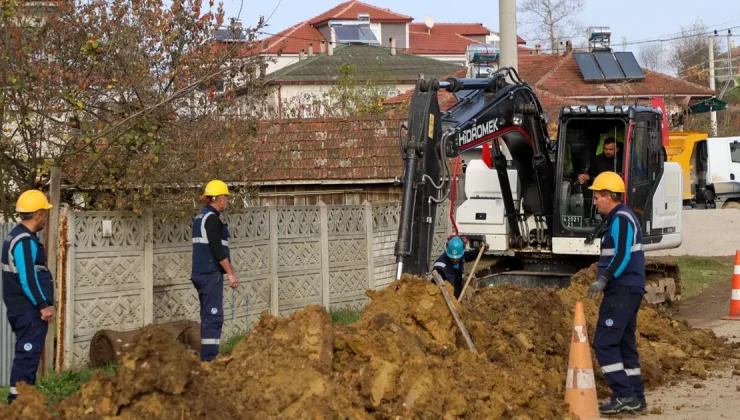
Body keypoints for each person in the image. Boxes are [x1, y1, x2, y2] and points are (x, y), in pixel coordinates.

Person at [585, 171, 646, 415]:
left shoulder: (621, 218)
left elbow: (622, 255)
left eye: (597, 196)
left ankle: (623, 394)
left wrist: (603, 279)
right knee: (624, 344)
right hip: (629, 288)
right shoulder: (620, 217)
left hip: (621, 289)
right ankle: (636, 397)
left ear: (609, 197)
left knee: (604, 343)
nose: (594, 201)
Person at [1, 190, 55, 404]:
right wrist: (43, 306)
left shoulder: (14, 235)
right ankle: (18, 405)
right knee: (27, 356)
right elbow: (28, 279)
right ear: (38, 215)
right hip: (28, 310)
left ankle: (26, 400)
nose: (46, 218)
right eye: (45, 214)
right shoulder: (24, 241)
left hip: (20, 309)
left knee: (27, 356)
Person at [191, 180, 238, 361]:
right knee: (213, 317)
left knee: (207, 317)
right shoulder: (212, 219)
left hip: (200, 273)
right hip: (210, 274)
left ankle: (207, 356)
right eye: (225, 197)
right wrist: (230, 272)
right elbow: (217, 249)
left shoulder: (200, 217)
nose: (226, 201)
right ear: (219, 198)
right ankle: (210, 360)